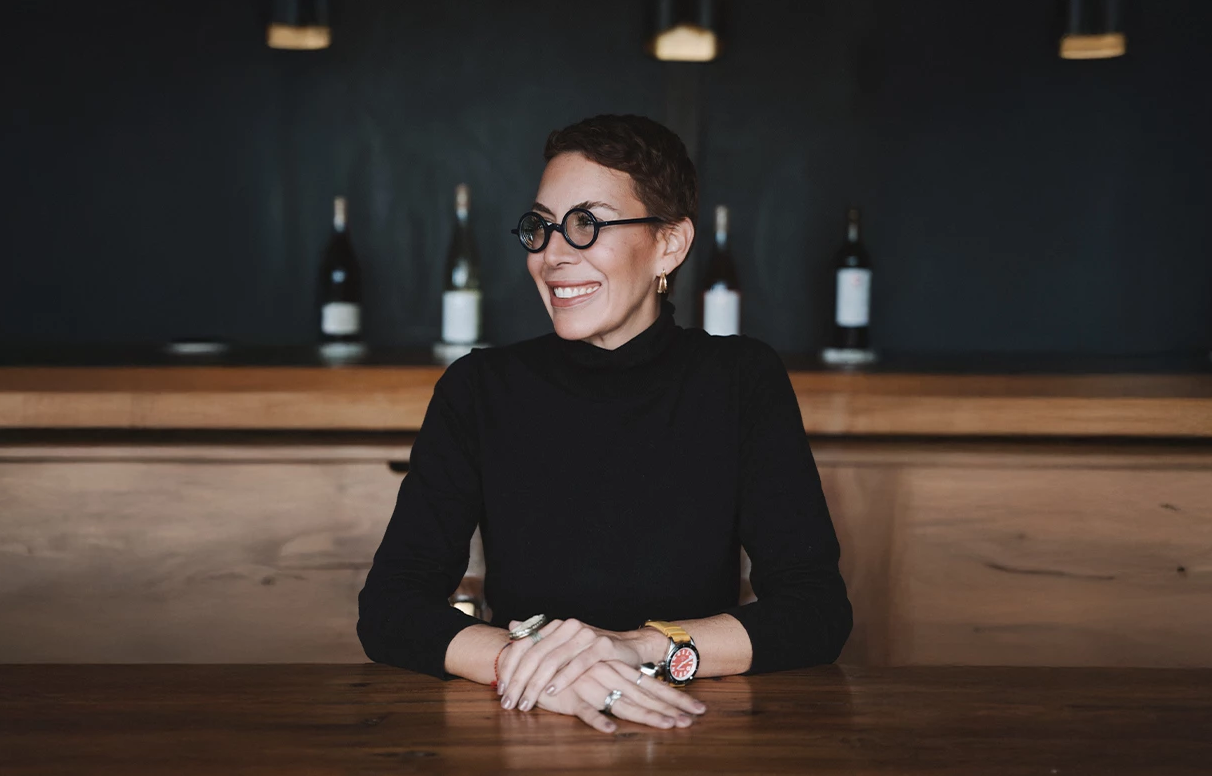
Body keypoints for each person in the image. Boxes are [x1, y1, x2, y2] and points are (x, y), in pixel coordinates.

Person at [357, 114, 852, 735]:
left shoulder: (739, 379)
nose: (553, 256)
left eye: (586, 225)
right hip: (524, 718)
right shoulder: (479, 387)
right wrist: (538, 668)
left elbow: (817, 611)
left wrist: (635, 649)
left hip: (688, 724)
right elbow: (390, 607)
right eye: (540, 228)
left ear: (669, 244)